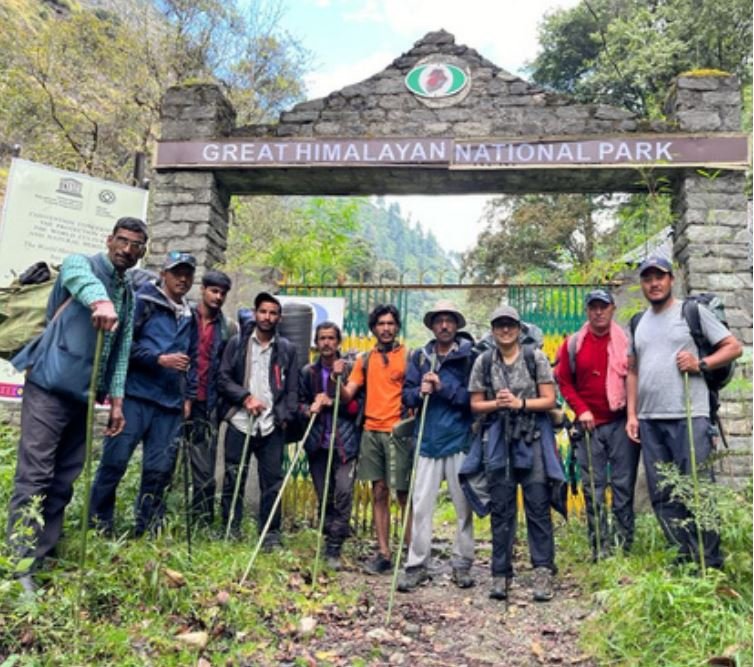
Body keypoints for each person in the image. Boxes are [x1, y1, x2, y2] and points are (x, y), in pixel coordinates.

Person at [7, 217, 148, 589]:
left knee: (63, 479)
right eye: (122, 241)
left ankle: (43, 553)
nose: (127, 249)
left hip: (85, 398)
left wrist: (116, 402)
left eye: (136, 245)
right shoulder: (81, 264)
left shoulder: (129, 294)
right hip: (49, 387)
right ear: (109, 240)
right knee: (35, 475)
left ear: (142, 252)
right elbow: (79, 279)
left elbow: (121, 351)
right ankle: (20, 565)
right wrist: (100, 301)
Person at [626, 256, 742, 569]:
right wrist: (632, 415)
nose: (654, 283)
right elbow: (632, 371)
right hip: (650, 420)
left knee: (698, 489)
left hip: (690, 415)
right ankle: (683, 560)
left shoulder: (691, 312)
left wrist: (700, 364)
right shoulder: (638, 322)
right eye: (648, 278)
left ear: (671, 280)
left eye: (659, 277)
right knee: (663, 493)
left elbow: (733, 347)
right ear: (642, 284)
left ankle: (710, 563)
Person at [89, 251, 198, 537]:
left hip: (170, 405)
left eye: (187, 274)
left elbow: (194, 357)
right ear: (164, 274)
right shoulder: (143, 303)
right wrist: (158, 359)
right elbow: (124, 345)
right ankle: (98, 525)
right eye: (177, 273)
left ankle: (147, 529)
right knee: (114, 463)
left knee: (159, 470)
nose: (182, 279)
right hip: (135, 397)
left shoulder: (191, 315)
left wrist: (188, 397)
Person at [464, 305, 565, 602]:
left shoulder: (535, 357)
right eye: (499, 325)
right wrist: (498, 404)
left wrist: (519, 404)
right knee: (502, 507)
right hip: (498, 438)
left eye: (510, 324)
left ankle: (543, 571)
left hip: (532, 437)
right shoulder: (484, 361)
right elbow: (475, 404)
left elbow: (549, 399)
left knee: (537, 505)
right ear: (493, 330)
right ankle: (500, 573)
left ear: (519, 329)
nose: (505, 330)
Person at [397, 300, 476, 592]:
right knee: (421, 507)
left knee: (463, 507)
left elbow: (473, 399)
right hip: (427, 441)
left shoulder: (469, 357)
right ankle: (417, 565)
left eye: (449, 320)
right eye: (439, 321)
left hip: (459, 440)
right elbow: (406, 396)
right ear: (432, 326)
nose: (444, 325)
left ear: (456, 325)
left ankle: (462, 564)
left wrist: (443, 388)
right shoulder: (420, 357)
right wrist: (421, 392)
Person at [555, 289, 638, 560]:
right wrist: (581, 410)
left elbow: (635, 376)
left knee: (623, 486)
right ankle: (599, 547)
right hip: (589, 427)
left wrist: (633, 415)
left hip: (621, 423)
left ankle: (623, 546)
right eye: (593, 307)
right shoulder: (573, 344)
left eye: (603, 306)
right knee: (594, 488)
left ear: (613, 308)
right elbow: (563, 381)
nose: (598, 312)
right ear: (587, 311)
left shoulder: (627, 343)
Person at [333, 304, 410, 575]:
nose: (386, 328)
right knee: (379, 491)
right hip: (371, 431)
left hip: (398, 432)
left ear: (397, 327)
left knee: (403, 493)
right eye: (381, 324)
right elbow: (348, 395)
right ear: (374, 328)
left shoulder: (408, 356)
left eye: (390, 323)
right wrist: (336, 378)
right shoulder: (365, 360)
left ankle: (412, 554)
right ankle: (384, 553)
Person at [217, 291, 298, 546]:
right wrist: (245, 398)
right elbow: (223, 379)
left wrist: (285, 416)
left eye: (273, 313)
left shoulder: (287, 349)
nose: (267, 317)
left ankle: (270, 534)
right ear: (255, 313)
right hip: (240, 422)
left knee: (272, 482)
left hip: (271, 426)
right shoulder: (237, 343)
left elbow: (292, 388)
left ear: (279, 318)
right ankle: (230, 528)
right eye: (263, 311)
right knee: (233, 477)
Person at [298, 321, 361, 570]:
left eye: (331, 338)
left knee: (344, 491)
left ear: (338, 342)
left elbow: (356, 406)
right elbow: (298, 404)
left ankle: (335, 546)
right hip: (318, 443)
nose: (326, 343)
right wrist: (309, 408)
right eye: (322, 338)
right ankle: (330, 532)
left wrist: (332, 401)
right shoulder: (308, 372)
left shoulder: (350, 370)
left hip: (344, 443)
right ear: (316, 342)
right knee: (324, 494)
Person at [187, 270, 236, 528]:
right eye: (214, 291)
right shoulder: (185, 316)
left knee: (204, 471)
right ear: (202, 289)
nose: (218, 297)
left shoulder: (227, 328)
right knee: (163, 464)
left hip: (207, 405)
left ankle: (201, 524)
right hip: (177, 402)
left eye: (222, 293)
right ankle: (155, 522)